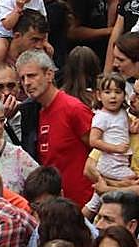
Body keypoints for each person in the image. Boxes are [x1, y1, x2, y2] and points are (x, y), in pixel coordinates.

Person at [17, 49, 94, 207]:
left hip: (84, 206)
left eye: (32, 75)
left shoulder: (73, 108)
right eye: (22, 78)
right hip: (57, 209)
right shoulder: (38, 112)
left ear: (49, 75)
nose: (26, 83)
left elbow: (99, 150)